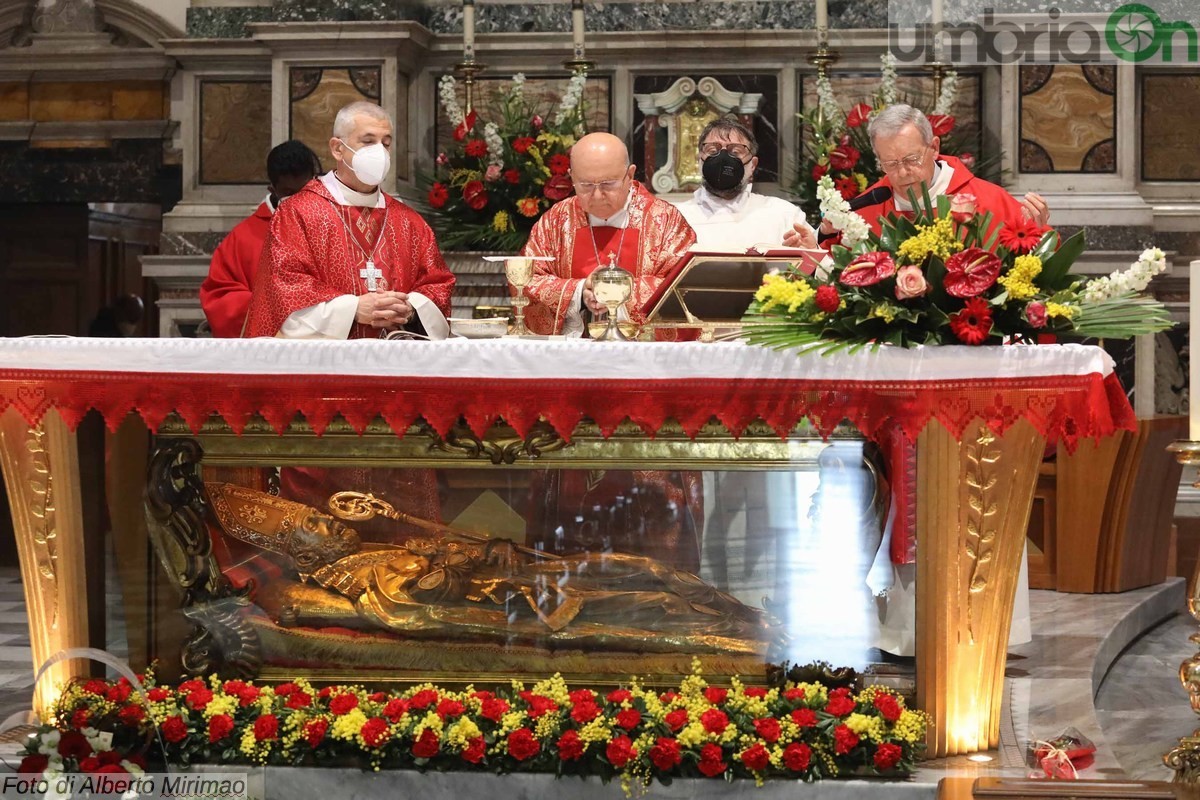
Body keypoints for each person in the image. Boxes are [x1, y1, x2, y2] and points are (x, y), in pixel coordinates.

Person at [206, 481, 776, 654]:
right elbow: (417, 607)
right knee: (658, 603)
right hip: (541, 602)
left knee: (652, 571)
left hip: (541, 570)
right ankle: (749, 639)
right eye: (325, 529)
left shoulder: (369, 551)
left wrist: (466, 548)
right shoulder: (360, 579)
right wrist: (455, 559)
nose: (338, 526)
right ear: (309, 555)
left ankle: (752, 618)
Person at [244, 101, 455, 340]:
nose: (380, 152)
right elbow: (285, 289)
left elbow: (438, 284)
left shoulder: (408, 221)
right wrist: (353, 309)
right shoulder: (298, 213)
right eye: (367, 141)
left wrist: (410, 309)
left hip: (396, 364)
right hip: (327, 369)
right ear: (337, 149)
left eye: (385, 143)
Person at [788, 103, 1050, 246]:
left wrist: (1037, 231)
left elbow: (1042, 265)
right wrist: (816, 244)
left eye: (912, 159)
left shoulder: (990, 200)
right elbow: (835, 279)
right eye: (890, 163)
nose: (902, 172)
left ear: (934, 147)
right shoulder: (868, 207)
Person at [520, 131, 695, 337]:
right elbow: (526, 280)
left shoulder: (664, 220)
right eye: (585, 185)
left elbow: (685, 286)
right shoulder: (556, 221)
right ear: (572, 176)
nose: (597, 195)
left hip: (642, 357)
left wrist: (614, 293)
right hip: (573, 358)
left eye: (607, 184)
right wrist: (577, 292)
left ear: (629, 176)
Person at [200, 140, 322, 338]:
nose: (299, 201)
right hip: (269, 349)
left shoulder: (332, 227)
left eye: (305, 191)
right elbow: (220, 297)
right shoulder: (242, 239)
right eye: (289, 193)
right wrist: (280, 311)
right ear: (272, 189)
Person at [676, 117, 817, 251]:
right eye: (713, 151)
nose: (723, 159)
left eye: (736, 152)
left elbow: (824, 271)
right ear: (699, 161)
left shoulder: (785, 215)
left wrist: (812, 255)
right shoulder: (673, 218)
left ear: (753, 165)